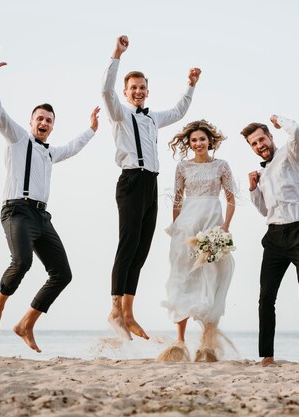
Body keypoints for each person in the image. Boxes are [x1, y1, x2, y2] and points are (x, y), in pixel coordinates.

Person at [0, 44, 100, 352]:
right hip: (16, 212)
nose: (44, 123)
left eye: (49, 121)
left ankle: (26, 324)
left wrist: (91, 129)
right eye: (40, 119)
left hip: (41, 218)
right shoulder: (18, 138)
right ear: (31, 121)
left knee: (63, 274)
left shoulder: (50, 153)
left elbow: (72, 148)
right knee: (22, 262)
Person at [101, 35, 201, 340]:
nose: (138, 91)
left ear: (147, 90)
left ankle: (128, 313)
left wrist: (191, 84)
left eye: (142, 87)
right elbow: (105, 90)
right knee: (128, 244)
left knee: (142, 249)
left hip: (151, 183)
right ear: (126, 92)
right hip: (131, 180)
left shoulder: (152, 118)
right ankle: (116, 310)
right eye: (133, 88)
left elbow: (180, 111)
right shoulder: (120, 112)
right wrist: (116, 55)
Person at [242, 115, 299, 366]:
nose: (259, 146)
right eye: (254, 144)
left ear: (270, 137)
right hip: (275, 237)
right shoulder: (262, 174)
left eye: (261, 139)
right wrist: (253, 188)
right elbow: (265, 211)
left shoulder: (291, 153)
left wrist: (280, 121)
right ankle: (267, 356)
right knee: (266, 298)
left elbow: (297, 129)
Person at [158, 120, 236, 362]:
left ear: (209, 141)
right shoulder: (182, 167)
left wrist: (225, 228)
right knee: (182, 278)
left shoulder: (222, 166)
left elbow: (231, 199)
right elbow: (178, 201)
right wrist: (175, 229)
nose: (198, 143)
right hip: (186, 230)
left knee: (213, 279)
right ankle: (180, 341)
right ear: (189, 144)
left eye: (202, 139)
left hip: (212, 227)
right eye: (193, 140)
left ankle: (207, 342)